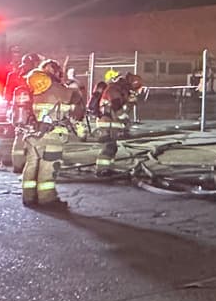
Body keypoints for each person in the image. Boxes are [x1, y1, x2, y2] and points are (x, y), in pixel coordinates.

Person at [19, 67, 85, 208]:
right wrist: (74, 86)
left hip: (31, 135)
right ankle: (47, 198)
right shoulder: (57, 89)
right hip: (52, 135)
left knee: (31, 165)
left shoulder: (31, 89)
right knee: (48, 166)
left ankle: (28, 196)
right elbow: (76, 100)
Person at [92, 71, 143, 175]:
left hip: (111, 123)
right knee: (108, 146)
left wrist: (130, 103)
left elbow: (121, 109)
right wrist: (125, 118)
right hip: (106, 122)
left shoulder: (120, 90)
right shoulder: (114, 89)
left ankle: (108, 168)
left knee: (112, 147)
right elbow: (117, 108)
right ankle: (101, 170)